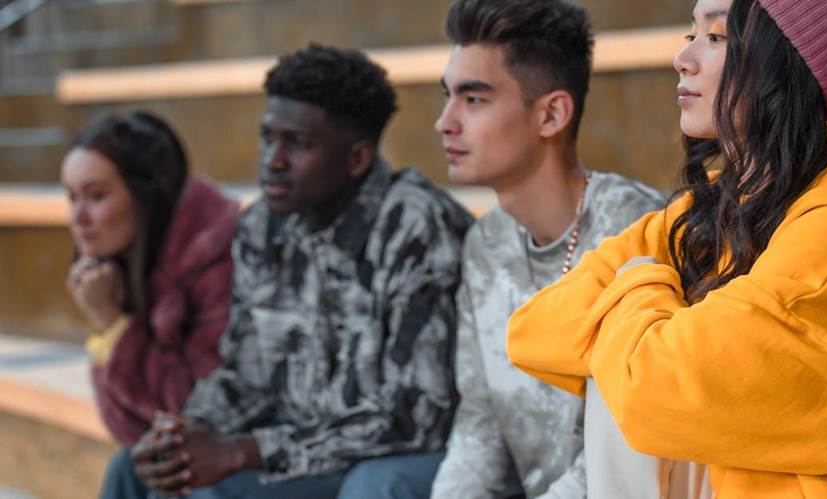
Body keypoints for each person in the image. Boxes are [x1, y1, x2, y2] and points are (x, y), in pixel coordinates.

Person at [507, 0, 827, 496]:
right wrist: (655, 319)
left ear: (786, 60)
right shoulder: (708, 206)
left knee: (628, 375)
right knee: (623, 372)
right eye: (690, 33)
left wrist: (637, 282)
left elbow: (654, 387)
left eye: (717, 37)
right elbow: (533, 329)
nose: (684, 58)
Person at [125, 43, 473, 499]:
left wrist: (241, 451)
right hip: (302, 447)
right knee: (137, 471)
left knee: (215, 493)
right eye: (268, 137)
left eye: (299, 144)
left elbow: (414, 415)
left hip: (396, 455)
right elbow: (248, 374)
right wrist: (189, 431)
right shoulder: (262, 225)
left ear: (357, 159)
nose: (273, 160)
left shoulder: (414, 227)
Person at [430, 1, 708, 498]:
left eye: (473, 100)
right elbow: (480, 423)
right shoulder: (484, 243)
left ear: (552, 114)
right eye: (447, 97)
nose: (444, 123)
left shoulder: (638, 232)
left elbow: (637, 443)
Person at [61, 110, 238, 499]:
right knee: (129, 466)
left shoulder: (221, 261)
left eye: (96, 196)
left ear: (145, 198)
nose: (78, 217)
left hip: (269, 448)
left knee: (184, 479)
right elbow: (129, 430)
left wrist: (114, 327)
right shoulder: (125, 266)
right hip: (202, 449)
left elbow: (201, 414)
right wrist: (112, 328)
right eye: (71, 196)